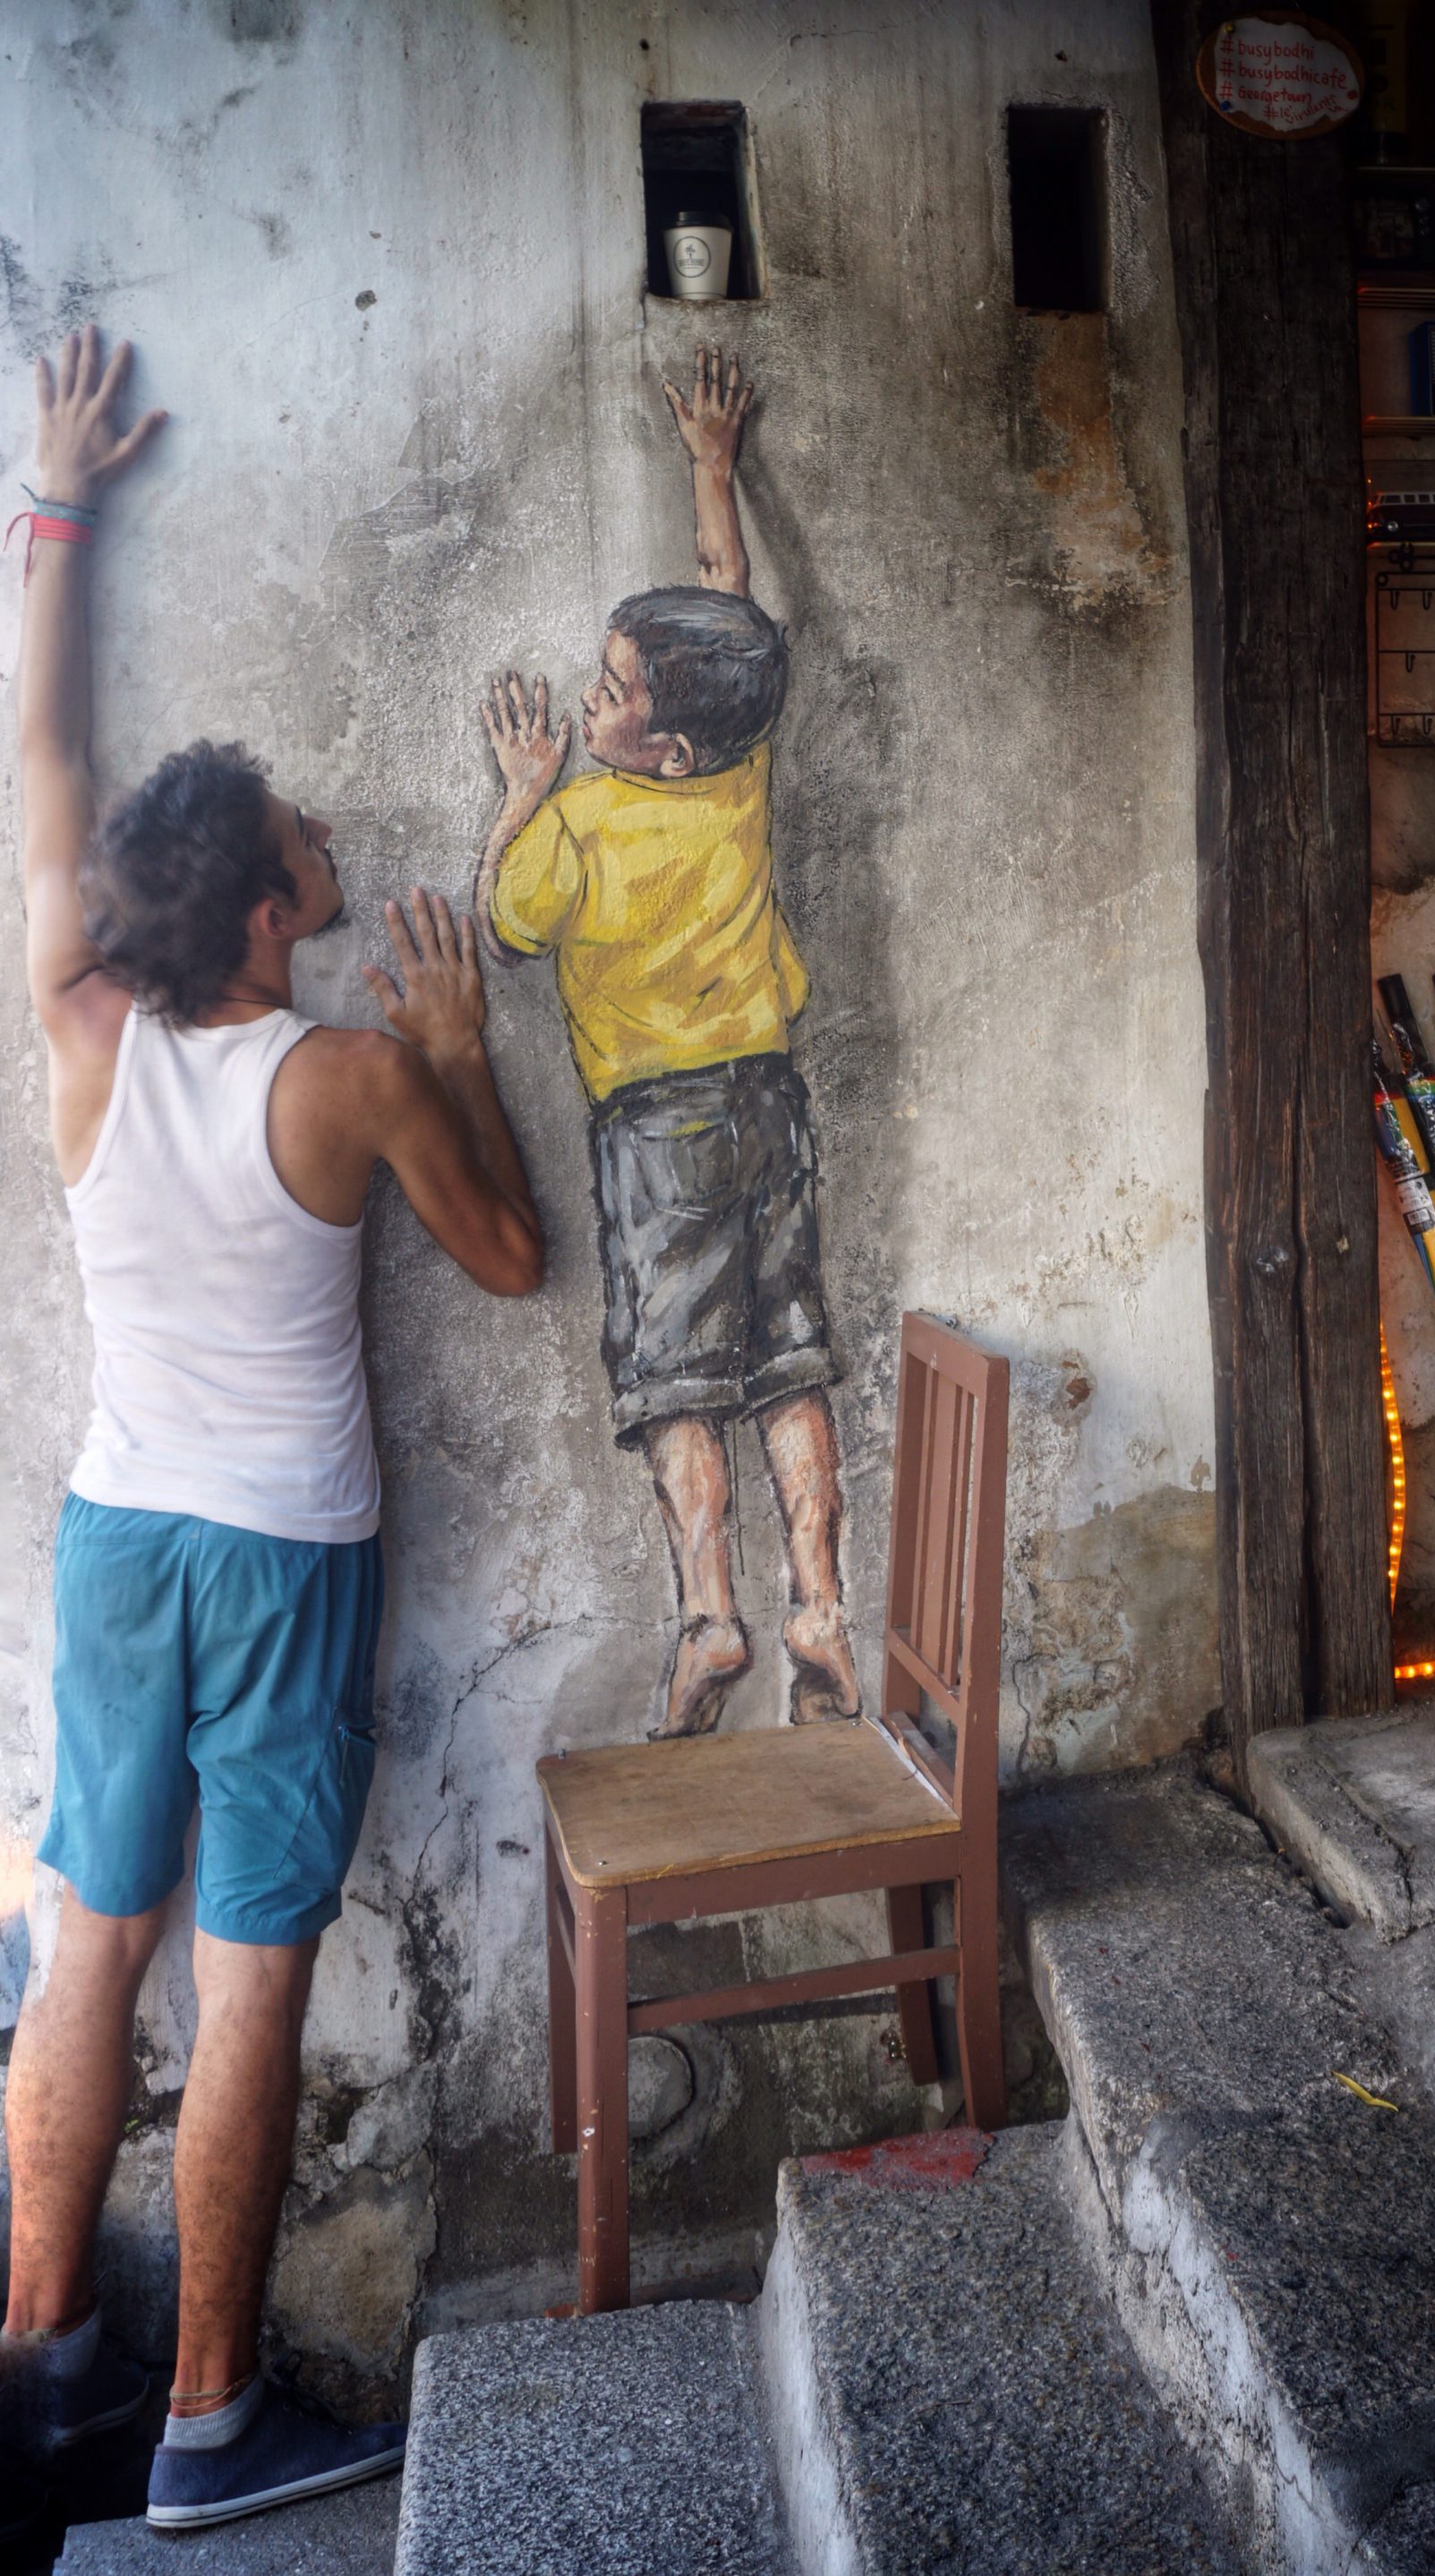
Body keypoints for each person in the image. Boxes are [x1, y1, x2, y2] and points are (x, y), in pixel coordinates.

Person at [4, 328, 542, 2532]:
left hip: (118, 1538)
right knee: (246, 1983)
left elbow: (44, 752)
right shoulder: (351, 1077)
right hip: (284, 1558)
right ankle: (212, 2418)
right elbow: (512, 1255)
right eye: (304, 839)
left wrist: (61, 505)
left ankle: (42, 2359)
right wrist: (464, 1042)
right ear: (262, 910)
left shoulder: (83, 1028)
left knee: (86, 1938)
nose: (330, 837)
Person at [474, 346, 858, 1738]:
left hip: (657, 1132)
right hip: (772, 1103)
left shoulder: (578, 823)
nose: (590, 699)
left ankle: (711, 1616)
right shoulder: (739, 770)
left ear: (667, 747)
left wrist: (521, 792)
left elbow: (504, 927)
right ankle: (822, 1600)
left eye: (612, 689)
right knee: (791, 1358)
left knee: (677, 1381)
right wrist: (712, 462)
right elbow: (731, 611)